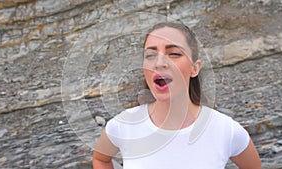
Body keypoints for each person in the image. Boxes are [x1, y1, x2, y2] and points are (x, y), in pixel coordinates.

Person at [93, 22, 261, 169]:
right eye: (150, 55)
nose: (159, 63)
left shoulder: (226, 130)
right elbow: (100, 158)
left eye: (174, 53)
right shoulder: (124, 125)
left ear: (194, 68)